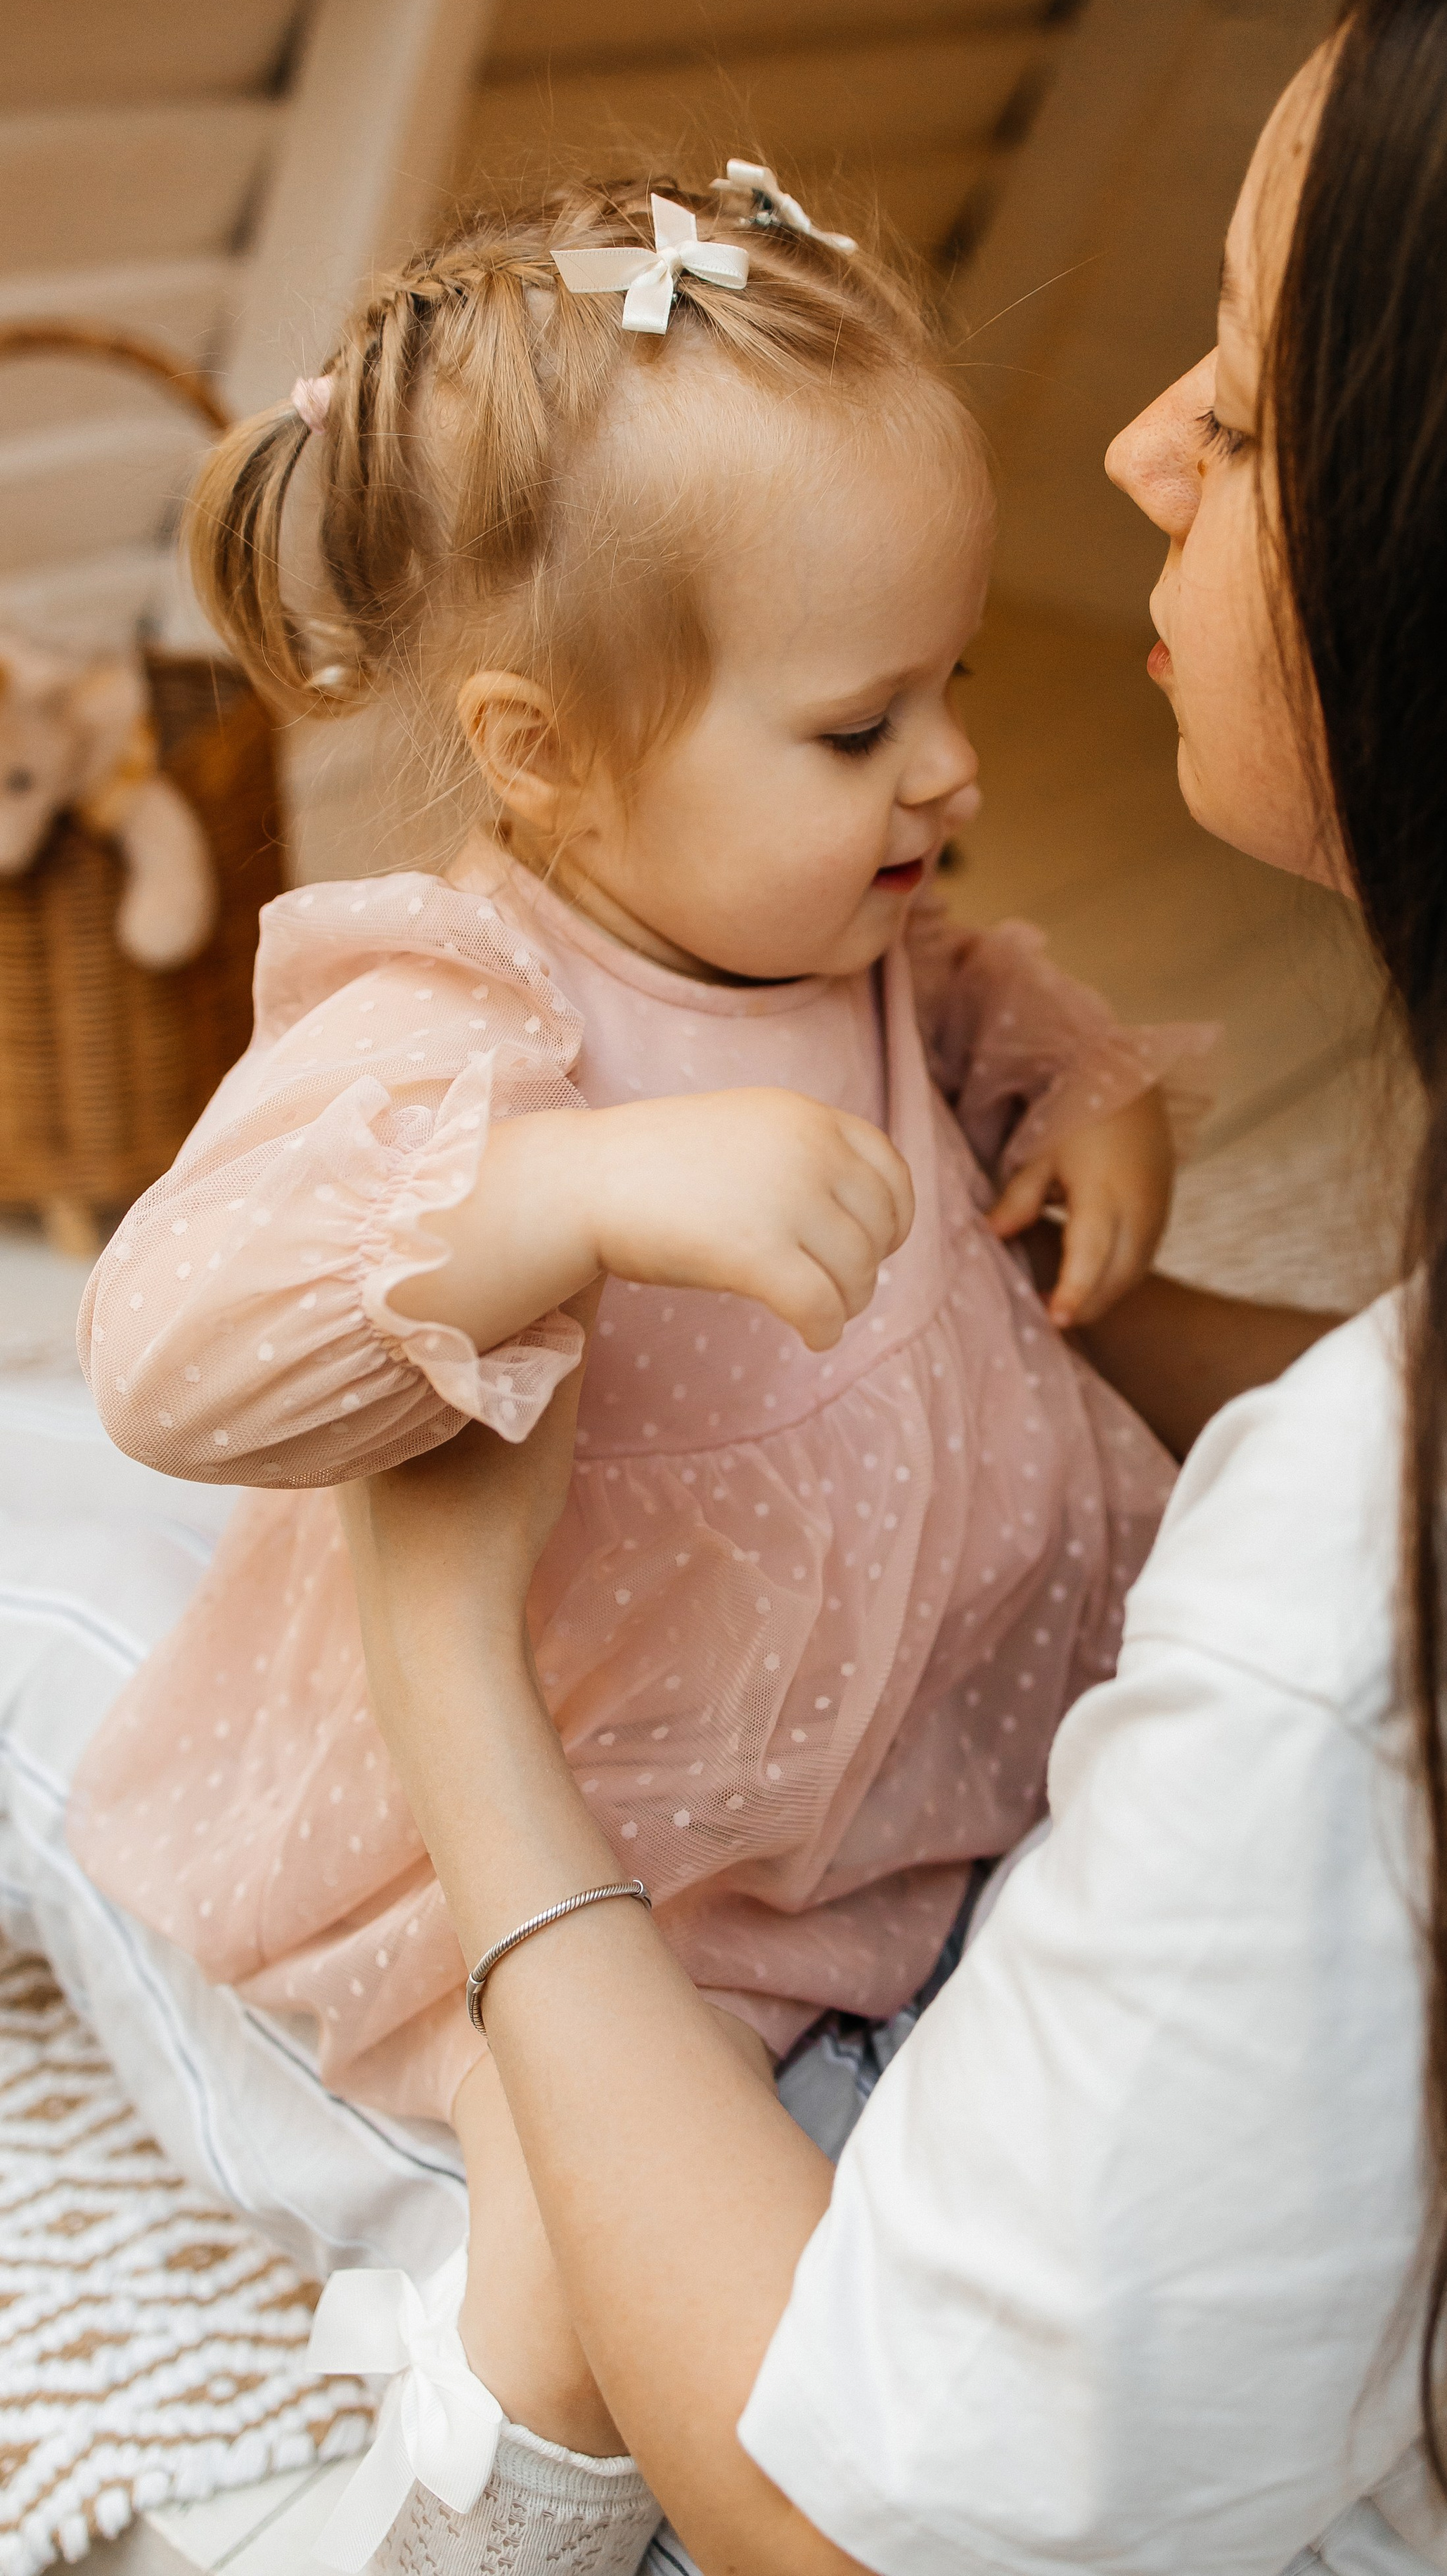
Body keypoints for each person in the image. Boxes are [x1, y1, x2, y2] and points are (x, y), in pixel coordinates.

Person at [316, 0, 1447, 2572]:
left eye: (1242, 404)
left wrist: (449, 1674)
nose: (1135, 447)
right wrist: (1088, 1332)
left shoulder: (1378, 1595)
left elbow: (863, 2523)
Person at [67, 161, 1280, 2571]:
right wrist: (575, 1202)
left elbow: (970, 998)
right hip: (624, 1870)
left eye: (942, 688)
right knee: (588, 2270)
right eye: (860, 726)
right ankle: (438, 2502)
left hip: (915, 1787)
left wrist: (1083, 1089)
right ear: (545, 753)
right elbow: (166, 1340)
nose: (944, 769)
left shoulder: (835, 924)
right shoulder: (468, 1012)